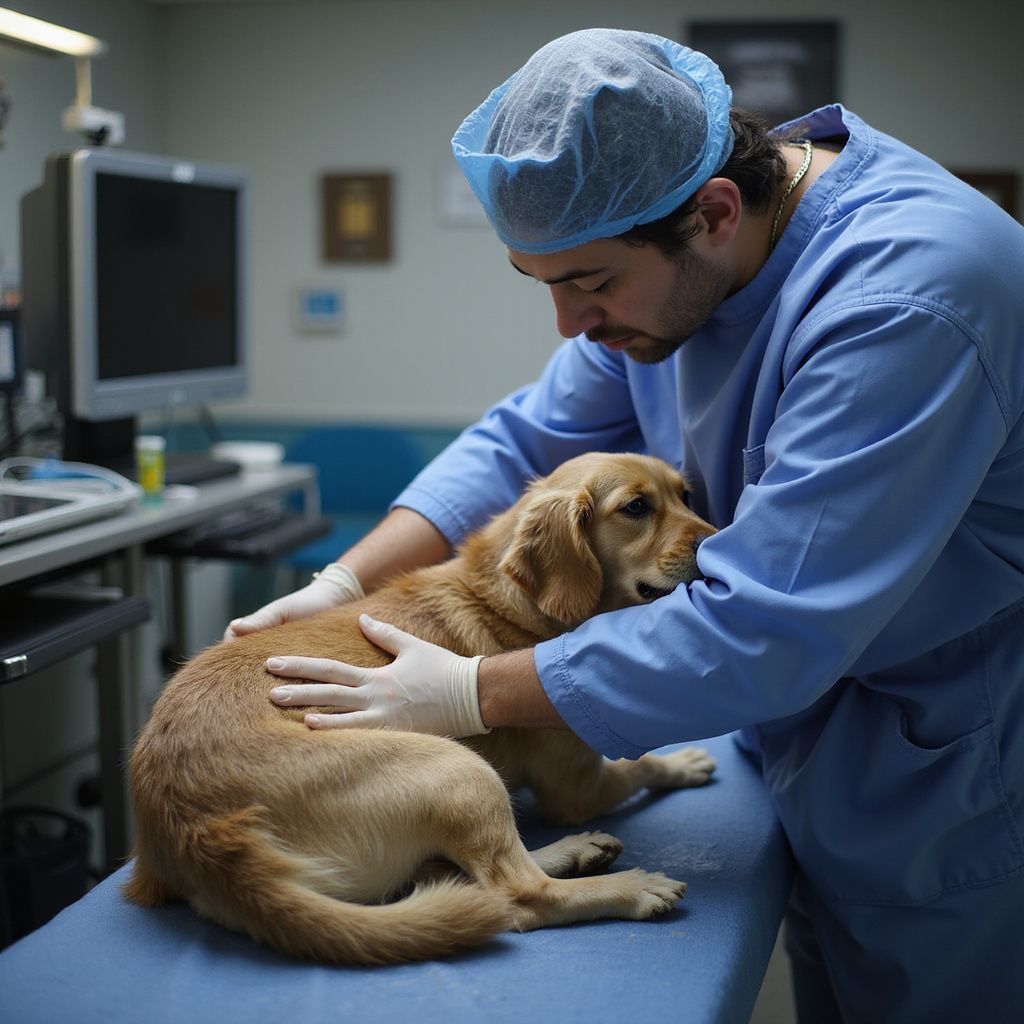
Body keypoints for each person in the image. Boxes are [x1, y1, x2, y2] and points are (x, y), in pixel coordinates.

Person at [224, 29, 1024, 1023]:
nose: (569, 324)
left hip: (951, 766)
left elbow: (763, 627)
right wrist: (341, 584)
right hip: (816, 736)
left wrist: (471, 691)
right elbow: (524, 443)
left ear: (715, 212)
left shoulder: (909, 297)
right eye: (545, 283)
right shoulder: (674, 268)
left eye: (590, 284)